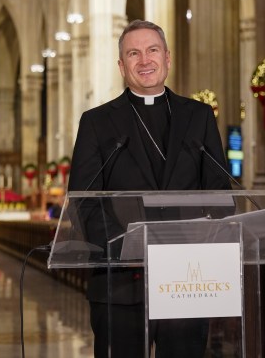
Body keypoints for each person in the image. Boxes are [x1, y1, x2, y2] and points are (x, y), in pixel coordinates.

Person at [68, 19, 231, 358]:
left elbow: (219, 192)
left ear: (167, 58)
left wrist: (201, 237)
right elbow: (83, 204)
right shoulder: (96, 123)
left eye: (152, 50)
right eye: (134, 53)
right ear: (121, 65)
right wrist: (128, 248)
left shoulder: (199, 116)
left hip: (188, 281)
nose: (145, 61)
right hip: (120, 285)